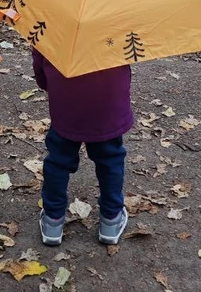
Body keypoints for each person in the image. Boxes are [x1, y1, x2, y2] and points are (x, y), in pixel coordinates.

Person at [32, 49, 133, 246]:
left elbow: (40, 60)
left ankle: (53, 220)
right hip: (108, 107)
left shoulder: (54, 23)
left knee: (58, 161)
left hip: (66, 105)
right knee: (110, 160)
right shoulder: (119, 21)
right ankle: (111, 219)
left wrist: (48, 84)